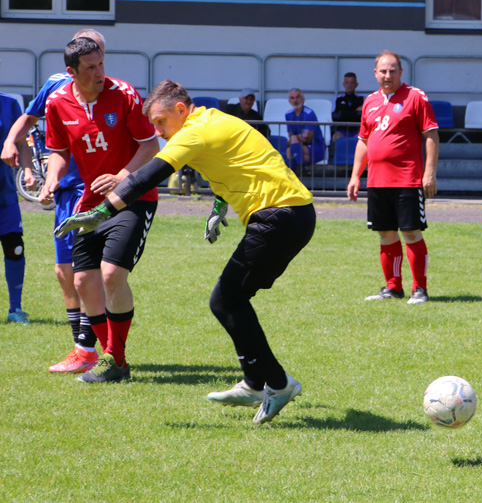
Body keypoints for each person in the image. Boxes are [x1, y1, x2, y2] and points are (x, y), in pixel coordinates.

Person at [56, 79, 315, 424]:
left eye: (162, 122)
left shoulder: (194, 132)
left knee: (226, 300)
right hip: (289, 214)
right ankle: (254, 383)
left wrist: (102, 211)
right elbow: (241, 161)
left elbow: (151, 174)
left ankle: (278, 383)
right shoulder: (215, 120)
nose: (160, 132)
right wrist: (222, 204)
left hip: (279, 217)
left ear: (181, 110)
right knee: (231, 298)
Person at [42, 36, 160, 383]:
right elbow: (60, 152)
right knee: (83, 281)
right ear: (71, 72)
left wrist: (122, 177)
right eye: (91, 67)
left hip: (134, 198)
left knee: (111, 274)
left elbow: (150, 145)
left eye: (101, 64)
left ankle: (115, 361)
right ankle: (112, 361)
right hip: (91, 204)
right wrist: (52, 178)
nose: (99, 72)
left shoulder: (123, 94)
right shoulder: (57, 103)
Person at [1, 29, 100, 369]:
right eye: (88, 57)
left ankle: (90, 347)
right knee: (63, 272)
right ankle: (80, 345)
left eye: (99, 55)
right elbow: (27, 120)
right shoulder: (56, 85)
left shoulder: (113, 92)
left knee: (90, 273)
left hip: (94, 192)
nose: (96, 67)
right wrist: (12, 142)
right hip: (64, 192)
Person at [347, 50, 439, 304]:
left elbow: (431, 135)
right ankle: (393, 288)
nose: (387, 75)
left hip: (407, 179)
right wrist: (356, 176)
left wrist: (429, 172)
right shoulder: (370, 101)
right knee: (386, 234)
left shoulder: (415, 97)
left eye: (392, 70)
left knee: (411, 233)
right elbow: (364, 141)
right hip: (377, 181)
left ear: (401, 72)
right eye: (383, 71)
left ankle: (419, 289)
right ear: (375, 73)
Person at [0, 90, 27, 324]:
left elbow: (21, 142)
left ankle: (15, 310)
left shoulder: (9, 105)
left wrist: (28, 171)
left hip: (5, 195)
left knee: (15, 248)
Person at [285, 88, 326, 170]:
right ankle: (302, 166)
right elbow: (291, 135)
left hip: (315, 146)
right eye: (292, 98)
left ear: (303, 99)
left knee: (291, 148)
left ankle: (295, 174)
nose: (295, 100)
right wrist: (297, 137)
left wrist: (295, 138)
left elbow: (307, 139)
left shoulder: (309, 113)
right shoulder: (288, 114)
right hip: (300, 148)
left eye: (297, 97)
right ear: (289, 101)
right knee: (289, 150)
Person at [331, 72, 364, 140]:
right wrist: (355, 113)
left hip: (357, 130)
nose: (349, 85)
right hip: (341, 130)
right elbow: (334, 117)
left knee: (360, 139)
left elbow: (363, 116)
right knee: (336, 137)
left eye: (352, 83)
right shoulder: (337, 99)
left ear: (356, 84)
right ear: (343, 84)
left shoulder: (363, 99)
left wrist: (342, 112)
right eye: (347, 83)